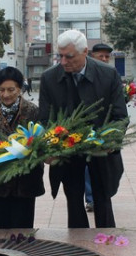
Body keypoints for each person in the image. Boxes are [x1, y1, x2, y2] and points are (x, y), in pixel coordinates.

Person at [38, 29, 128, 228]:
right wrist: (49, 147)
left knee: (103, 198)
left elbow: (120, 116)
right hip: (66, 151)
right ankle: (79, 246)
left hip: (101, 149)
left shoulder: (108, 74)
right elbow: (44, 119)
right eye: (59, 56)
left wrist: (111, 141)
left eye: (69, 56)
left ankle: (107, 243)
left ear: (85, 52)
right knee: (73, 199)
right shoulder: (49, 78)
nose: (63, 62)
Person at [0, 67, 44, 228]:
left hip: (25, 182)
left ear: (20, 89)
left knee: (23, 230)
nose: (6, 94)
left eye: (11, 89)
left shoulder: (33, 111)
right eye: (2, 90)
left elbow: (40, 144)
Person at [84, 43, 113, 212]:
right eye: (100, 56)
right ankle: (91, 198)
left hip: (106, 130)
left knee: (110, 167)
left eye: (107, 57)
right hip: (87, 132)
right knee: (89, 167)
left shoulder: (110, 76)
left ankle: (102, 194)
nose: (104, 59)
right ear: (91, 56)